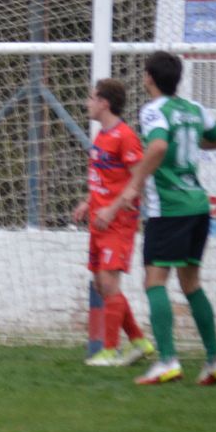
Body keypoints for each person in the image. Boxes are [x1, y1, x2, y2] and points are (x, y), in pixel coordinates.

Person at [121, 51, 216, 386]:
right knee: (191, 283)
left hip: (168, 208)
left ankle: (167, 361)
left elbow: (155, 148)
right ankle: (214, 361)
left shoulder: (154, 110)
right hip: (198, 206)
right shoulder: (194, 109)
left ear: (149, 77)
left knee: (154, 281)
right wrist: (188, 148)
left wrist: (134, 186)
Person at [70, 78, 155, 367]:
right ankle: (140, 342)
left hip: (118, 222)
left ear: (104, 103)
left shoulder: (125, 136)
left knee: (109, 281)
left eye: (92, 98)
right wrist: (89, 202)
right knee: (101, 283)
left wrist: (112, 209)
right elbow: (105, 180)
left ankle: (110, 350)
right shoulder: (102, 136)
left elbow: (137, 178)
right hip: (99, 219)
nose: (87, 103)